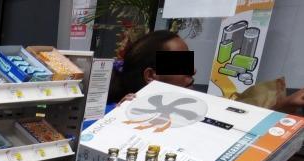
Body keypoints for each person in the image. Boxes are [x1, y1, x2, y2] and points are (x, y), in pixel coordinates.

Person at [109, 29, 304, 113]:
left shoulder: (193, 108)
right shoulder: (119, 113)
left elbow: (234, 122)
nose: (193, 70)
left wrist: (285, 104)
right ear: (151, 75)